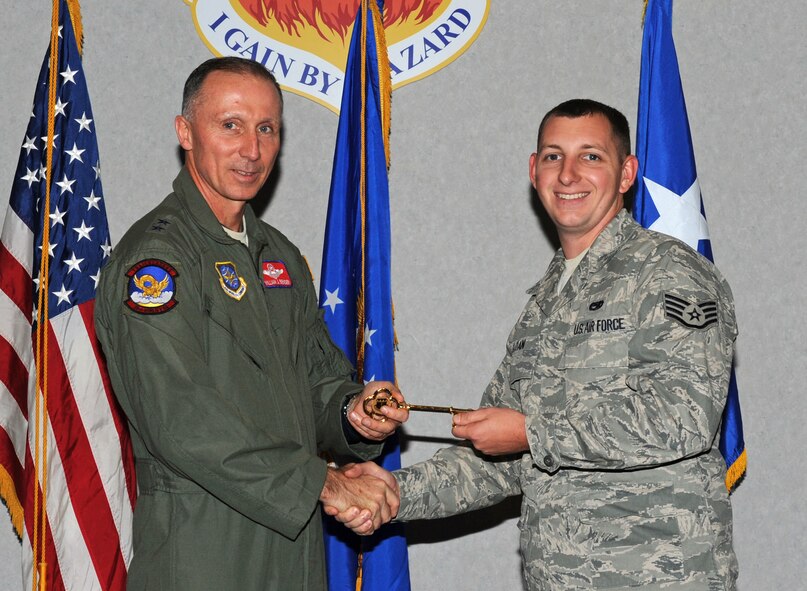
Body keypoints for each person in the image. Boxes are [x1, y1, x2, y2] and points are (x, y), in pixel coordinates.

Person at [344, 99, 738, 589]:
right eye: (553, 156)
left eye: (590, 156)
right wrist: (394, 493)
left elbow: (684, 419)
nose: (568, 174)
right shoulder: (549, 298)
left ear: (627, 173)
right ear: (534, 171)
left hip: (657, 576)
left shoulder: (668, 274)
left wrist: (533, 432)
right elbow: (498, 456)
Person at [94, 56, 408, 590]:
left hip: (294, 551)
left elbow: (315, 382)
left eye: (267, 129)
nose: (251, 149)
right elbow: (183, 420)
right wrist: (325, 485)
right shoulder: (157, 260)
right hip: (205, 551)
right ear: (185, 132)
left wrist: (354, 413)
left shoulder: (278, 255)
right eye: (231, 125)